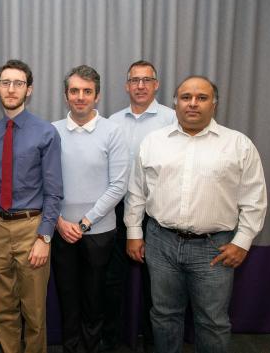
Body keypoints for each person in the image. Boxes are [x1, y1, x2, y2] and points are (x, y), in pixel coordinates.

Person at [124, 76, 267, 353]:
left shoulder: (238, 145)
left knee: (213, 322)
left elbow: (254, 198)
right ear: (175, 103)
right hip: (160, 242)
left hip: (215, 248)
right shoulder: (154, 142)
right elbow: (136, 192)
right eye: (186, 97)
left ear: (214, 104)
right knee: (164, 316)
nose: (193, 104)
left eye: (201, 98)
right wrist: (133, 233)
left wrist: (243, 241)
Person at [0, 59, 63, 353]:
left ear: (29, 90)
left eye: (18, 83)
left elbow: (54, 192)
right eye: (5, 83)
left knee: (35, 312)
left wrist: (44, 237)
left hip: (31, 228)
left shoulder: (46, 133)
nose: (11, 89)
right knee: (2, 309)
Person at [51, 65, 129, 353]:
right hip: (61, 230)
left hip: (99, 232)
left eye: (87, 91)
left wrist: (84, 223)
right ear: (65, 95)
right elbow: (46, 184)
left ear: (97, 96)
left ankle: (92, 348)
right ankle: (72, 348)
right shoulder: (53, 131)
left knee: (95, 299)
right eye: (74, 91)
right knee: (67, 298)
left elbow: (118, 186)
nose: (80, 97)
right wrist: (60, 222)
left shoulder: (113, 132)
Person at [103, 60, 176, 350]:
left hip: (156, 213)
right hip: (116, 210)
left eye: (147, 80)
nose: (141, 86)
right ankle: (113, 342)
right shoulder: (113, 121)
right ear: (127, 85)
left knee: (156, 288)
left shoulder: (173, 119)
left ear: (156, 84)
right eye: (135, 80)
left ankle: (154, 345)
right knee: (112, 283)